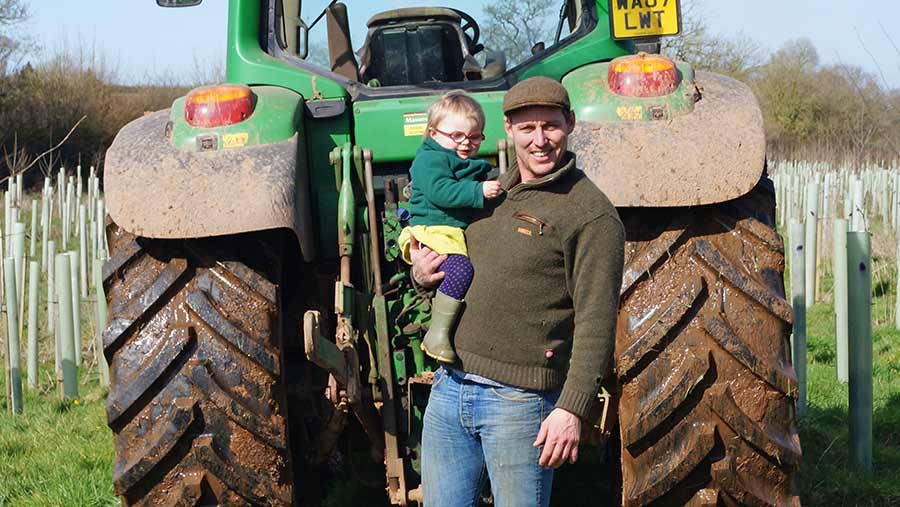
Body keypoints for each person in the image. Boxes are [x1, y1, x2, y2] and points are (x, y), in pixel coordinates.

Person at [414, 77, 625, 507]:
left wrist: (571, 408)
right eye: (527, 129)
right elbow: (458, 271)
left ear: (570, 124)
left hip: (519, 401)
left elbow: (597, 319)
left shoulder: (590, 215)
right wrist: (423, 275)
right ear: (508, 130)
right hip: (450, 388)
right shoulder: (488, 196)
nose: (540, 140)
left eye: (550, 126)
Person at [398, 90, 503, 363]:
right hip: (433, 230)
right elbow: (441, 191)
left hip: (447, 230)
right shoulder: (430, 159)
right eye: (457, 136)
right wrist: (478, 192)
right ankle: (437, 333)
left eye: (474, 136)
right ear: (433, 133)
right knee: (460, 269)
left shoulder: (460, 161)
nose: (466, 143)